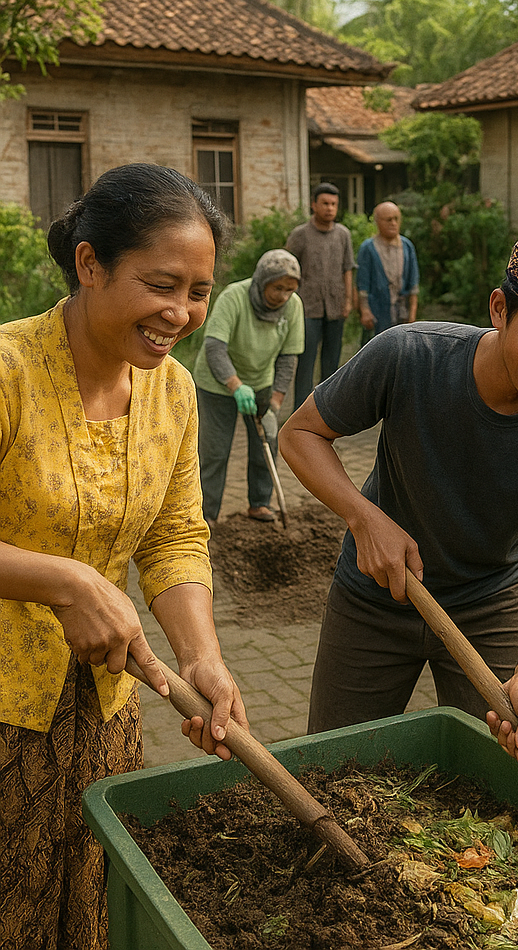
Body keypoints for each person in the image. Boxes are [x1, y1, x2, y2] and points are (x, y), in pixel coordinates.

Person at [0, 163, 249, 949]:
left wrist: (202, 658)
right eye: (162, 285)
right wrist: (63, 579)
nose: (181, 313)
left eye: (200, 292)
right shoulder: (8, 372)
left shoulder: (173, 393)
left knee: (97, 902)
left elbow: (175, 537)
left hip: (106, 708)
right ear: (89, 264)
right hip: (4, 712)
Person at [280, 225, 518, 767]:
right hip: (373, 598)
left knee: (491, 779)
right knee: (333, 767)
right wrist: (363, 517)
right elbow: (300, 434)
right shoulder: (409, 356)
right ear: (499, 309)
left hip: (491, 606)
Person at [193, 248, 304, 525]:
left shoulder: (294, 307)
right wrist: (235, 385)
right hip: (217, 383)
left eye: (289, 290)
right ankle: (206, 518)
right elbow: (215, 347)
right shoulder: (235, 296)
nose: (283, 296)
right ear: (262, 280)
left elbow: (288, 359)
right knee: (215, 452)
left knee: (265, 441)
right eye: (277, 287)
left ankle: (260, 503)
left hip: (261, 381)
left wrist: (275, 406)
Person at [287, 182, 354, 408]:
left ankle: (327, 409)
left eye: (334, 204)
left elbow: (347, 268)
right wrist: (291, 300)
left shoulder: (343, 234)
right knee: (306, 361)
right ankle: (300, 410)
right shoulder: (300, 234)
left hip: (335, 306)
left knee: (332, 361)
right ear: (314, 205)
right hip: (307, 307)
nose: (329, 208)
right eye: (325, 203)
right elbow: (288, 268)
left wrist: (348, 300)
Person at [357, 200, 419, 342]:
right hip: (377, 311)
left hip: (401, 311)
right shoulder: (368, 248)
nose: (393, 223)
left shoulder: (407, 246)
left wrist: (412, 315)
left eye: (396, 219)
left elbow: (414, 284)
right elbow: (362, 285)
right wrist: (365, 311)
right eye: (388, 219)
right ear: (378, 222)